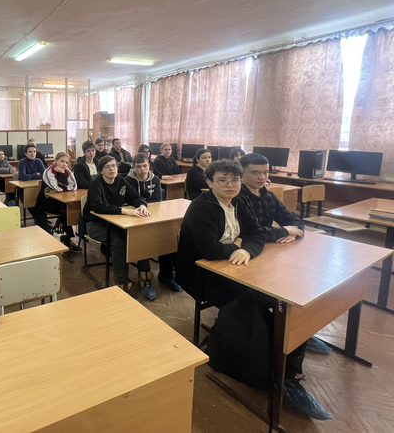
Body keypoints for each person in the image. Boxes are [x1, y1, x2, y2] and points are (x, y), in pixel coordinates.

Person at [176, 160, 329, 420]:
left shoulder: (238, 201)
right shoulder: (202, 207)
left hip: (236, 267)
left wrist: (246, 248)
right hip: (204, 276)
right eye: (222, 180)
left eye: (234, 180)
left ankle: (289, 363)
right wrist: (238, 245)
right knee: (266, 301)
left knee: (286, 296)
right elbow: (210, 251)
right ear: (210, 182)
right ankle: (280, 374)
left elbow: (256, 233)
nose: (230, 185)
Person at [237, 153, 331, 357]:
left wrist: (294, 232)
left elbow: (293, 220)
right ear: (241, 173)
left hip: (270, 255)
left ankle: (297, 331)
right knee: (269, 296)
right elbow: (249, 233)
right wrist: (284, 231)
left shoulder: (269, 196)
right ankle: (285, 334)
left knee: (299, 285)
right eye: (255, 172)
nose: (262, 177)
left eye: (265, 172)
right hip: (247, 257)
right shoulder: (237, 197)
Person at [83, 155, 154, 298]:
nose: (112, 169)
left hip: (116, 222)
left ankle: (144, 275)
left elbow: (134, 197)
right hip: (94, 224)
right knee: (119, 241)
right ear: (101, 170)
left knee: (139, 235)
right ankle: (120, 283)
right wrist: (125, 211)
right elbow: (98, 207)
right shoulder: (96, 184)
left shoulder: (121, 181)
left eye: (114, 166)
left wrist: (142, 205)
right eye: (107, 167)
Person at [125, 153, 181, 297]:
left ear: (149, 166)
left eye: (145, 166)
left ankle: (166, 274)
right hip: (135, 217)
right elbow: (131, 200)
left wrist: (144, 204)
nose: (142, 169)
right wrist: (141, 204)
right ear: (133, 167)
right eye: (138, 166)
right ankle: (145, 278)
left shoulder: (155, 179)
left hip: (154, 215)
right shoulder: (127, 180)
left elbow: (157, 199)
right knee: (144, 242)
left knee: (165, 238)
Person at [34, 152, 81, 252]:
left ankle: (62, 234)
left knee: (68, 209)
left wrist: (64, 180)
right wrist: (62, 175)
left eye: (67, 162)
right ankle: (66, 237)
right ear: (55, 161)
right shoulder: (48, 172)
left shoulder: (67, 171)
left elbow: (74, 186)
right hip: (47, 202)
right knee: (65, 210)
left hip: (62, 202)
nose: (65, 164)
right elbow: (58, 189)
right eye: (62, 161)